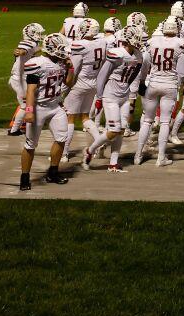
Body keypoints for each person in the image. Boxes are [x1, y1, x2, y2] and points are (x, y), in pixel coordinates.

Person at [18, 33, 76, 191]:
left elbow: (69, 82)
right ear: (52, 49)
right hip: (38, 108)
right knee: (30, 145)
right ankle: (25, 177)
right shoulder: (38, 63)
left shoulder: (62, 62)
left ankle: (53, 172)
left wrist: (70, 67)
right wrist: (29, 111)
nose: (65, 51)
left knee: (61, 138)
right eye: (61, 48)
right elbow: (31, 90)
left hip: (55, 106)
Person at [87, 26, 146, 170]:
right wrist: (99, 96)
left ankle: (113, 163)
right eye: (136, 37)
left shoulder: (139, 55)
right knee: (114, 130)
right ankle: (90, 150)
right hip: (111, 96)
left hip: (124, 96)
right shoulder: (116, 53)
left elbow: (133, 76)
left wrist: (125, 87)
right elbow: (102, 75)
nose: (139, 40)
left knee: (121, 130)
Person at [135, 17, 184, 167]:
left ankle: (138, 156)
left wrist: (141, 81)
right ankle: (161, 158)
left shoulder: (152, 42)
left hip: (153, 83)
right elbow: (183, 73)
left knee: (147, 120)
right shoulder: (180, 44)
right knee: (165, 121)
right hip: (169, 85)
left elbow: (145, 63)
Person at [64, 17, 107, 164]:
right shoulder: (102, 42)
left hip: (79, 84)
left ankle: (63, 153)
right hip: (93, 84)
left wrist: (66, 84)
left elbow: (73, 69)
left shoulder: (79, 44)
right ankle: (99, 142)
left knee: (69, 118)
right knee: (85, 117)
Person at [5, 22, 45, 137]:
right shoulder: (28, 43)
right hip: (19, 80)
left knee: (31, 102)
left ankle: (22, 126)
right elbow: (24, 49)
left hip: (22, 78)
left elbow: (35, 49)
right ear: (31, 34)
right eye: (38, 33)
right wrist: (20, 51)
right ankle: (14, 130)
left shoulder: (33, 43)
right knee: (25, 105)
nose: (40, 35)